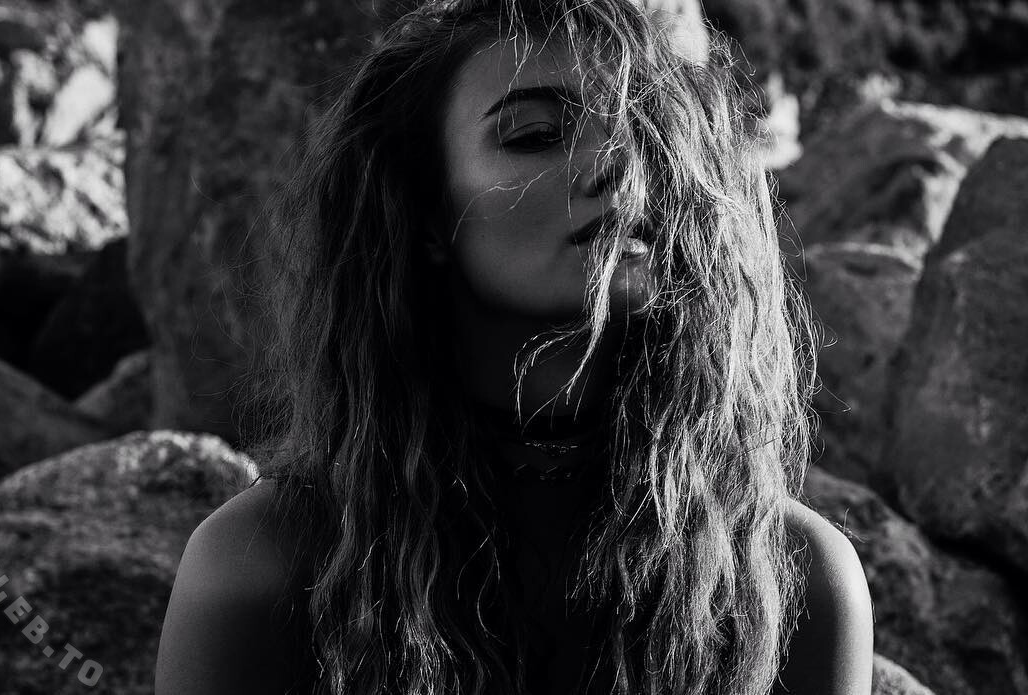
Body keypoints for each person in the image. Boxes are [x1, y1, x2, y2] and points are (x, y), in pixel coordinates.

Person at [154, 1, 874, 693]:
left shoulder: (791, 579)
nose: (619, 166)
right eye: (535, 134)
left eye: (647, 133)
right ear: (425, 215)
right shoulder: (265, 570)